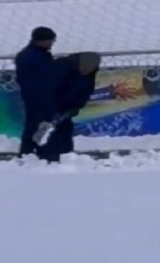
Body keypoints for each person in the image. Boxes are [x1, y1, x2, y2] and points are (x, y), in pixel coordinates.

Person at [35, 53, 101, 162]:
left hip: (65, 106)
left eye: (90, 67)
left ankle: (65, 156)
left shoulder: (89, 77)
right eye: (84, 65)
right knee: (47, 127)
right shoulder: (62, 68)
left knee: (65, 128)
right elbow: (47, 90)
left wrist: (73, 110)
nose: (86, 69)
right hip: (45, 101)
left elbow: (83, 95)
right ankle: (43, 156)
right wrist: (52, 110)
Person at [14, 26, 65, 156]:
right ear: (40, 41)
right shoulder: (33, 57)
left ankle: (30, 153)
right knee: (40, 126)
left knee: (37, 126)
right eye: (50, 40)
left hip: (39, 97)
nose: (52, 44)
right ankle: (37, 153)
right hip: (39, 98)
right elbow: (39, 80)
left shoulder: (39, 55)